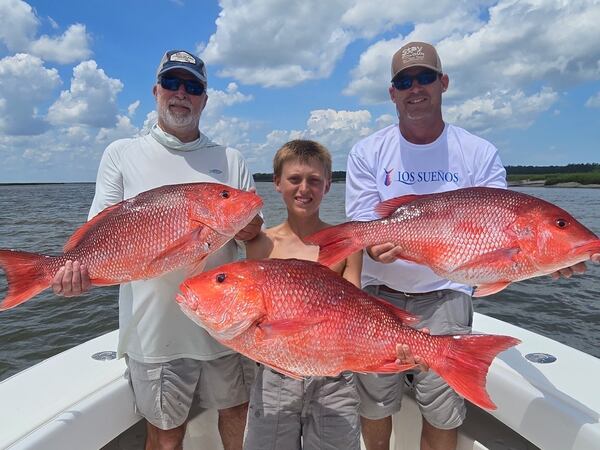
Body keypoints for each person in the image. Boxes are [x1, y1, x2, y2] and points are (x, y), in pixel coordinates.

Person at [345, 41, 600, 450]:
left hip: (446, 295)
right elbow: (363, 224)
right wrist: (373, 245)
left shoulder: (479, 153)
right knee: (374, 403)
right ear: (392, 93)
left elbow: (500, 236)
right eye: (404, 81)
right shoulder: (367, 151)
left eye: (425, 77)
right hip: (379, 295)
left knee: (443, 408)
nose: (415, 87)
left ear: (443, 83)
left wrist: (552, 259)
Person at [51, 50, 262, 450]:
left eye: (193, 86)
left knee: (237, 413)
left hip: (226, 328)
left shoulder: (229, 159)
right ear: (155, 91)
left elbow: (251, 238)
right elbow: (99, 232)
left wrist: (251, 230)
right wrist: (76, 271)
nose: (181, 93)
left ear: (204, 99)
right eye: (172, 82)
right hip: (153, 334)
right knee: (165, 436)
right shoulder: (121, 153)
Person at [243, 139, 364, 450]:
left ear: (328, 185)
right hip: (276, 375)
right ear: (277, 183)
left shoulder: (347, 242)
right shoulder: (260, 244)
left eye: (314, 180)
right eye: (294, 179)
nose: (304, 189)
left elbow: (359, 311)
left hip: (334, 377)